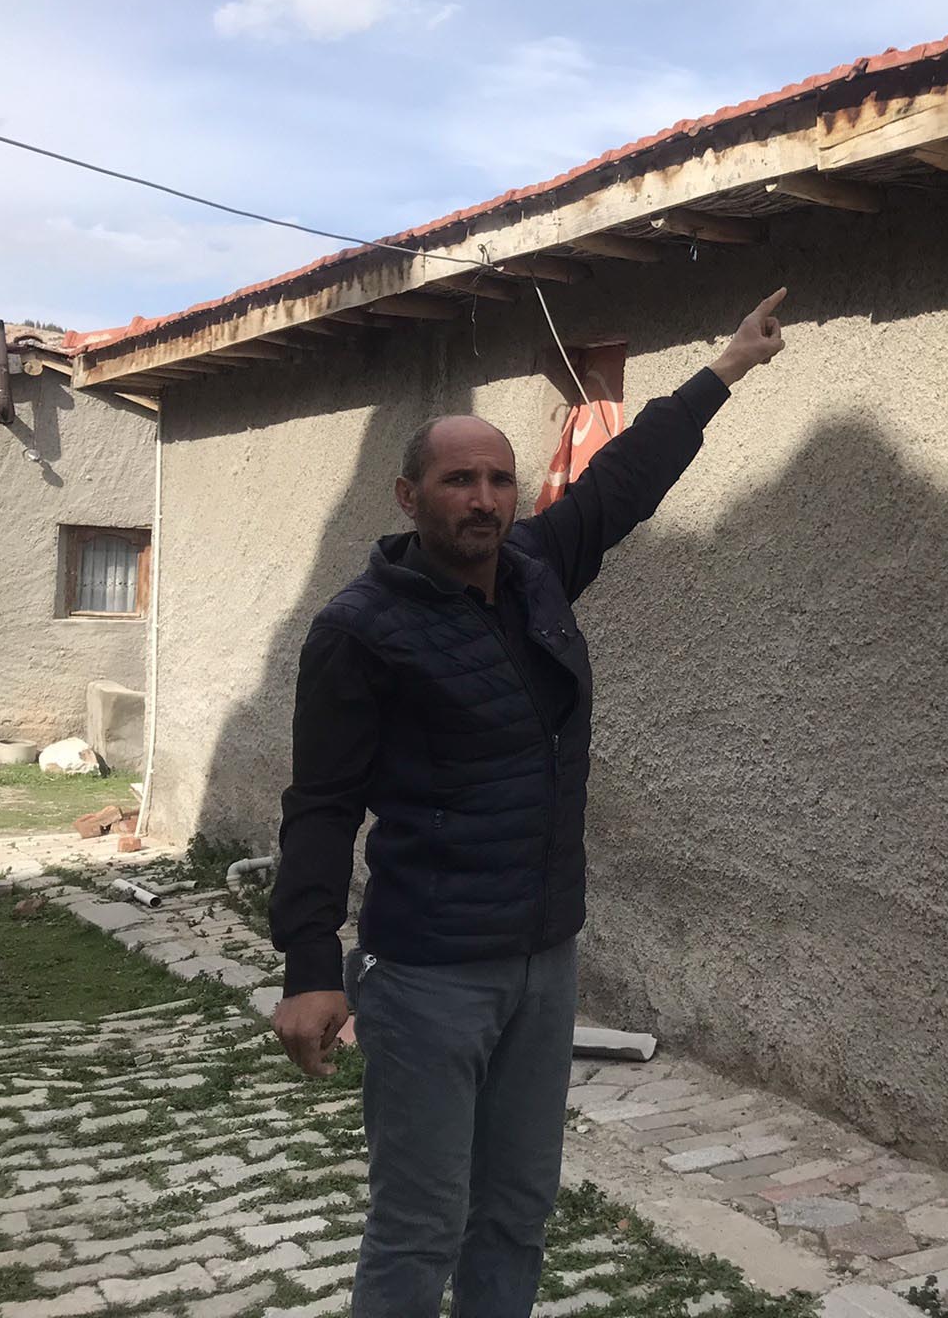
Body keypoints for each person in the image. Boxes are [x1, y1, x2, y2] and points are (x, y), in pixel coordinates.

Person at [268, 289, 788, 1317]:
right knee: (419, 1227)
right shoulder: (359, 631)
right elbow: (321, 806)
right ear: (408, 496)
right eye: (458, 480)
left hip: (544, 960)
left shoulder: (538, 569)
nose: (484, 499)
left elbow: (627, 476)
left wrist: (727, 366)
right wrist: (310, 969)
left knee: (514, 1212)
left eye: (500, 480)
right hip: (428, 975)